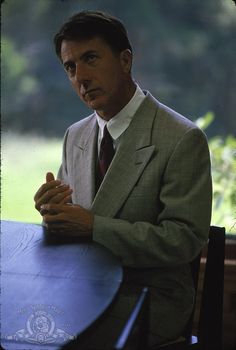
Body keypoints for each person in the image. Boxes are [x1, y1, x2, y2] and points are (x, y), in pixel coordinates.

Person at [34, 11, 212, 349]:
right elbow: (69, 225)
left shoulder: (182, 139)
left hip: (149, 296)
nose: (81, 77)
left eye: (90, 59)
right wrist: (52, 211)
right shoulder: (75, 135)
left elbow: (184, 240)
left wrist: (93, 227)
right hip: (81, 287)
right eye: (70, 67)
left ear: (125, 60)